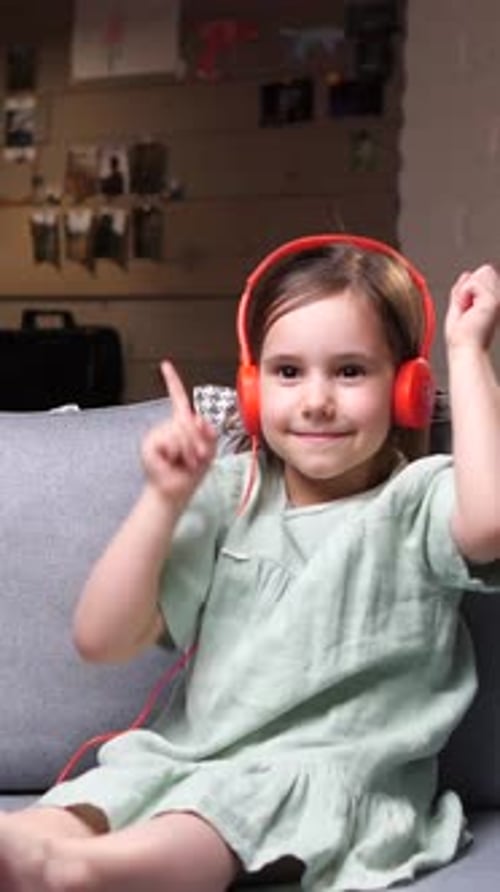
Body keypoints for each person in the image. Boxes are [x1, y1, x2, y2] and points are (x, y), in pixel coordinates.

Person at [0, 234, 499, 892]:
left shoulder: (418, 500)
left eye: (350, 371)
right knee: (93, 801)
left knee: (214, 815)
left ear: (408, 388)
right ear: (252, 389)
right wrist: (163, 501)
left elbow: (490, 524)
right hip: (187, 758)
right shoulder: (228, 494)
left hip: (330, 774)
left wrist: (467, 351)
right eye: (288, 372)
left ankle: (76, 874)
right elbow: (100, 638)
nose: (316, 400)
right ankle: (35, 852)